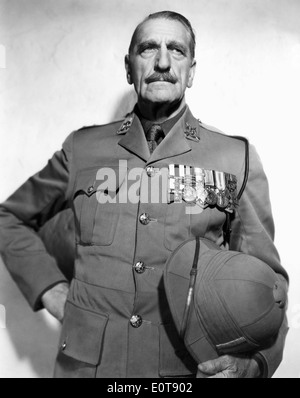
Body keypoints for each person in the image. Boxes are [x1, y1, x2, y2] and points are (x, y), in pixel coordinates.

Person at [0, 11, 288, 378]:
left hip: (181, 372)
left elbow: (270, 286)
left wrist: (252, 366)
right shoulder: (83, 149)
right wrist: (50, 289)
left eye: (177, 50)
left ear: (192, 70)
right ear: (128, 66)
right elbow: (8, 217)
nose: (163, 62)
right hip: (88, 370)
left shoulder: (234, 157)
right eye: (149, 48)